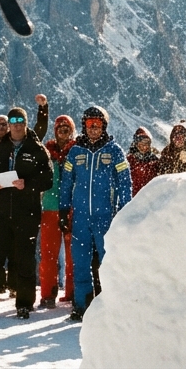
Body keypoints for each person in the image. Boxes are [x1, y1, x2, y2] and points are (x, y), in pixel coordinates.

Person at [0, 108, 53, 320]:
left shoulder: (37, 149)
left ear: (26, 123)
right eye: (13, 120)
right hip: (1, 213)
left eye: (20, 121)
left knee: (25, 259)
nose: (16, 124)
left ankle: (24, 305)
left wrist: (28, 184)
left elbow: (48, 179)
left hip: (27, 213)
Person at [59, 106, 132, 322]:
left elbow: (124, 183)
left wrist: (125, 210)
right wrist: (64, 210)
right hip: (80, 217)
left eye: (97, 125)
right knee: (80, 263)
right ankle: (82, 306)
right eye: (89, 124)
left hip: (105, 217)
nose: (93, 129)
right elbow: (66, 183)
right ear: (84, 126)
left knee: (109, 263)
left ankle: (112, 306)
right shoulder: (75, 152)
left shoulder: (114, 151)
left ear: (104, 127)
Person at [39, 114, 78, 308]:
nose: (63, 131)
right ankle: (48, 294)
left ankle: (71, 292)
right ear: (55, 131)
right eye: (60, 128)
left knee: (74, 254)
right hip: (50, 208)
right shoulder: (47, 152)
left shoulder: (78, 151)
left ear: (72, 130)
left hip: (72, 208)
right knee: (48, 254)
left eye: (67, 128)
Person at [127, 127, 160, 196]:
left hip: (149, 199)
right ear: (136, 143)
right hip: (132, 199)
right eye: (141, 143)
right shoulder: (129, 160)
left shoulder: (154, 161)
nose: (144, 147)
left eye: (147, 143)